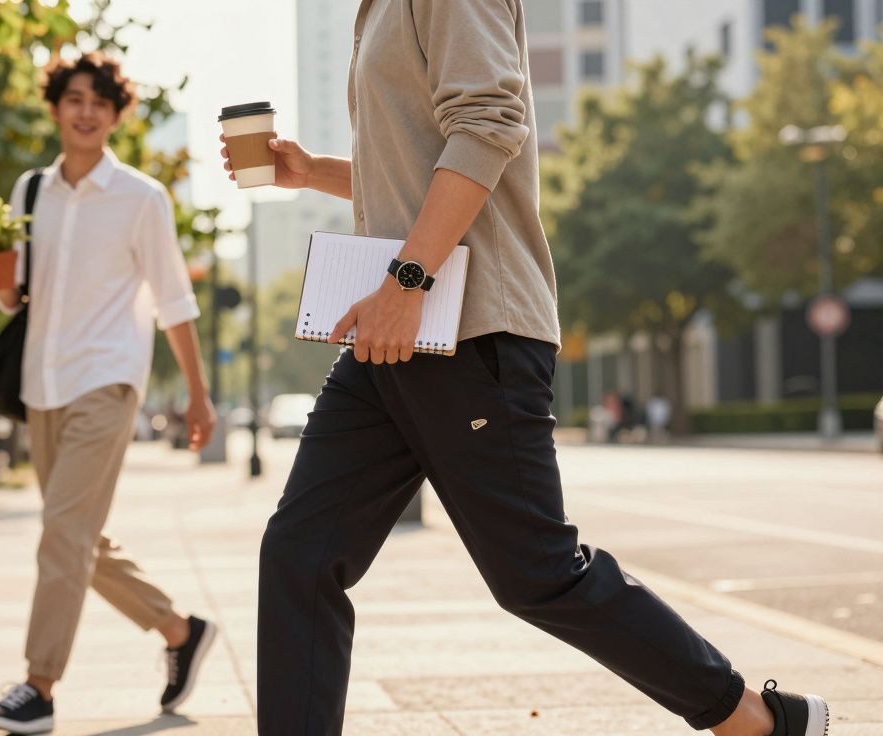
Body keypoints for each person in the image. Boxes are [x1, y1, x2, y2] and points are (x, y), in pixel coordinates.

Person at [221, 1, 828, 734]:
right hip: (397, 330)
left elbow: (488, 127)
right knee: (301, 555)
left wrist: (407, 283)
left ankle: (756, 720)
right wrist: (313, 171)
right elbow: (421, 168)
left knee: (537, 573)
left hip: (469, 326)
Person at [0, 52, 218, 734]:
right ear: (55, 107)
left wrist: (197, 396)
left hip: (107, 383)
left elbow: (174, 300)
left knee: (62, 535)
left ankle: (38, 688)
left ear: (115, 116)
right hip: (41, 385)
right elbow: (17, 300)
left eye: (99, 103)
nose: (85, 111)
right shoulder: (29, 193)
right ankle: (179, 630)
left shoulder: (142, 197)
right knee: (77, 539)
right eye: (74, 98)